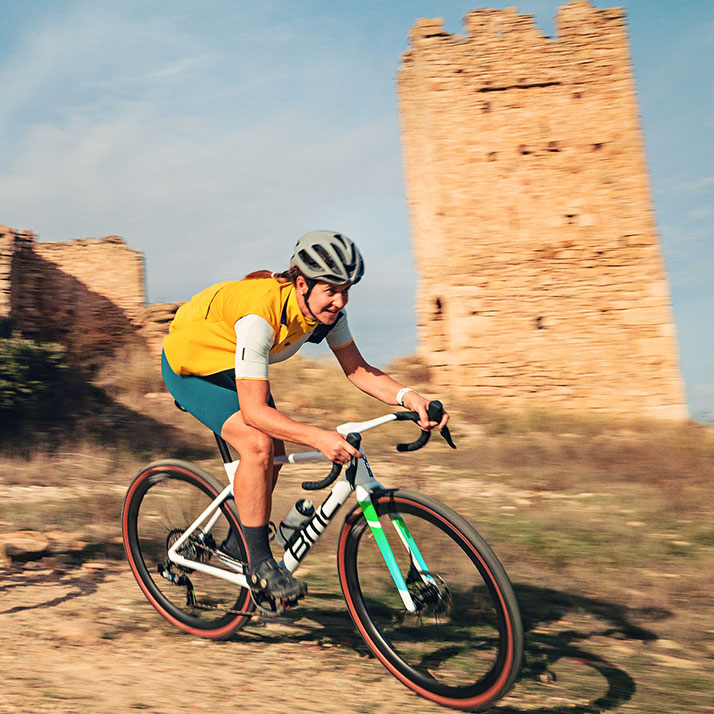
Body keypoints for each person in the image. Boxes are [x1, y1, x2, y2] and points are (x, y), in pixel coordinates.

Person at [161, 230, 449, 604]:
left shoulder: (326, 315)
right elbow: (253, 412)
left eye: (345, 289)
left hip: (232, 361)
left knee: (274, 450)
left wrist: (409, 397)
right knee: (259, 443)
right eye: (330, 290)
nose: (339, 300)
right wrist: (319, 437)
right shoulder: (259, 318)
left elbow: (358, 369)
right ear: (302, 284)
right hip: (190, 365)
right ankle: (260, 566)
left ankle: (237, 544)